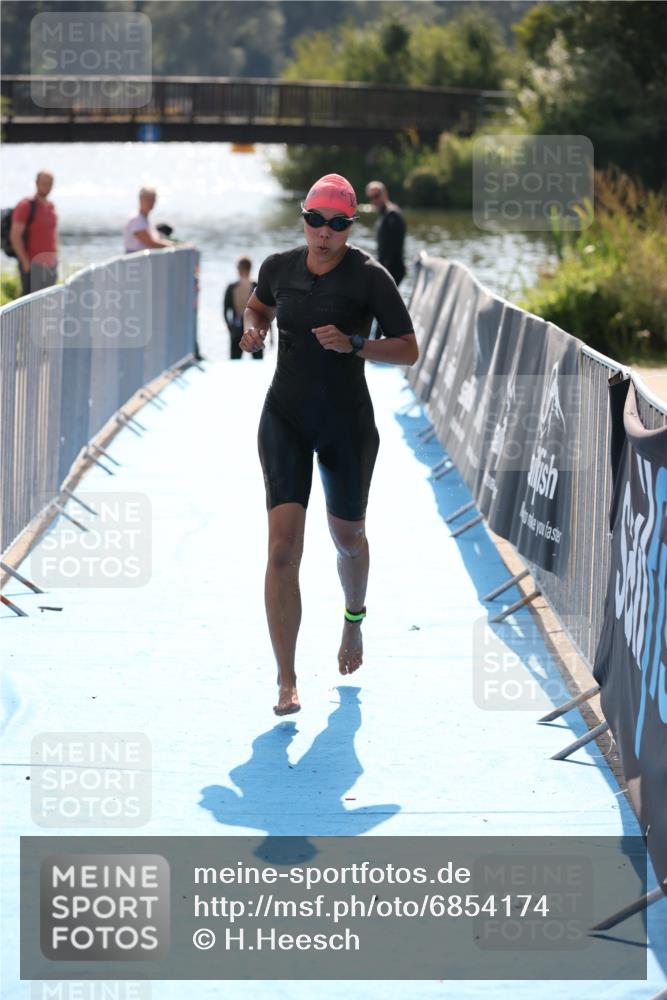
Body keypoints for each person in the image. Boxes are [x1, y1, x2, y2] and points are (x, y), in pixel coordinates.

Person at [239, 173, 418, 715]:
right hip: (285, 417)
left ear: (349, 227)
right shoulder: (279, 268)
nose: (324, 233)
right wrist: (255, 329)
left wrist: (357, 343)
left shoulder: (370, 278)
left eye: (337, 224)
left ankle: (354, 617)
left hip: (346, 425)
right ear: (304, 218)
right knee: (281, 551)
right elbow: (258, 306)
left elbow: (408, 349)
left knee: (347, 541)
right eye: (316, 220)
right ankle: (286, 680)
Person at [10, 170, 58, 296]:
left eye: (49, 184)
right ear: (36, 183)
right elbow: (15, 236)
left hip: (51, 267)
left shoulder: (51, 206)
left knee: (48, 307)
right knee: (31, 309)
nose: (46, 187)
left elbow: (52, 235)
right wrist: (25, 263)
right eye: (43, 183)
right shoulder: (26, 205)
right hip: (33, 266)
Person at [364, 180, 406, 286]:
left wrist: (384, 269)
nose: (374, 200)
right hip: (385, 268)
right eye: (371, 197)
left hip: (392, 269)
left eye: (376, 196)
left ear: (385, 194)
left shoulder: (393, 215)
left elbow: (393, 246)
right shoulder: (385, 215)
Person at [224, 257, 262, 360]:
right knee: (258, 363)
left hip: (237, 328)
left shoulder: (232, 287)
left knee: (234, 363)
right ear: (250, 269)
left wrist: (230, 327)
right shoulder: (257, 286)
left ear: (239, 269)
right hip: (254, 331)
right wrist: (271, 335)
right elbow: (265, 312)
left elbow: (225, 310)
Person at [123, 187, 175, 253]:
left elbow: (155, 241)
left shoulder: (145, 219)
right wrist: (174, 246)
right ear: (140, 199)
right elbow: (151, 243)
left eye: (153, 199)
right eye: (148, 199)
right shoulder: (136, 219)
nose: (151, 202)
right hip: (136, 261)